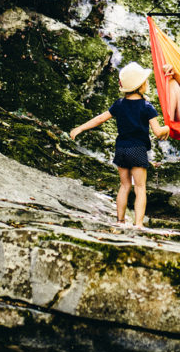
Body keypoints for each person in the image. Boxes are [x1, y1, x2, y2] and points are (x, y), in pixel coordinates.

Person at [70, 62, 170, 228]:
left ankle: (120, 221)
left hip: (121, 149)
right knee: (140, 188)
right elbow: (158, 132)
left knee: (124, 186)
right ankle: (138, 224)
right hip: (138, 149)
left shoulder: (119, 104)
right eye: (146, 81)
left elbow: (100, 119)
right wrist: (168, 127)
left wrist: (80, 128)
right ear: (141, 85)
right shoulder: (147, 107)